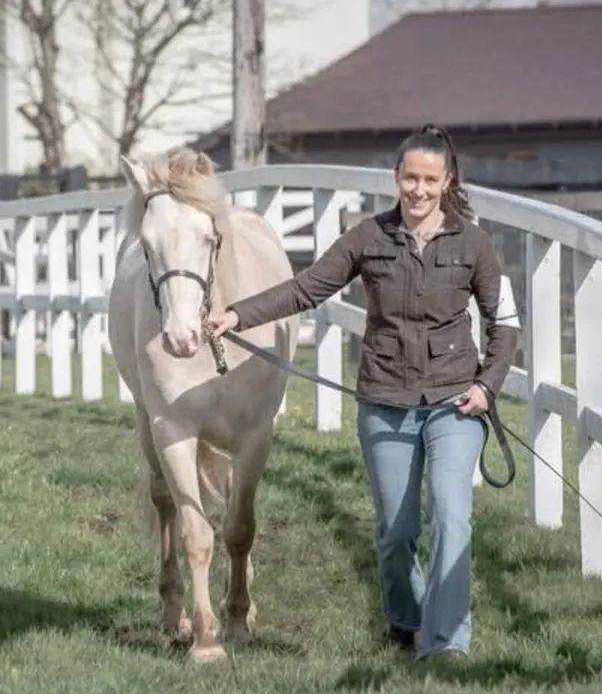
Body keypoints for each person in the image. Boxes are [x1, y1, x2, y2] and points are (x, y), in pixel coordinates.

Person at [206, 124, 518, 661]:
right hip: (385, 403)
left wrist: (488, 387)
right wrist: (237, 314)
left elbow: (504, 325)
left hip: (454, 404)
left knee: (451, 515)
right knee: (396, 534)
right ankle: (404, 620)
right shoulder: (368, 238)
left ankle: (445, 646)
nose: (418, 190)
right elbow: (306, 288)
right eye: (409, 178)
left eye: (429, 180)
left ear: (447, 182)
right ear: (396, 178)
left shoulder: (474, 244)